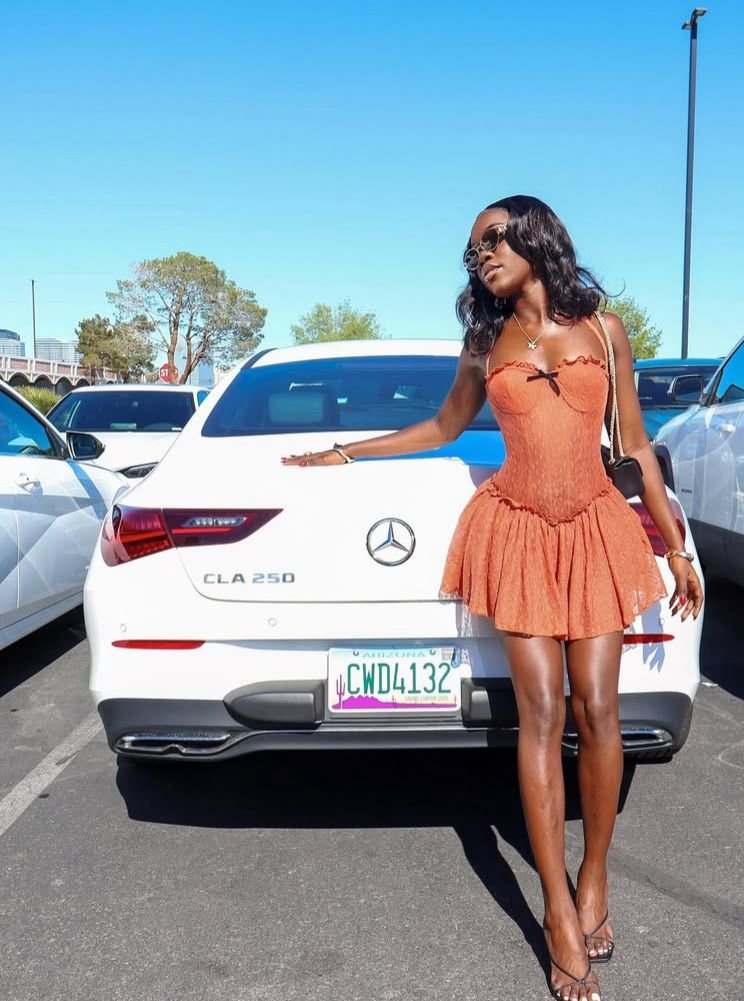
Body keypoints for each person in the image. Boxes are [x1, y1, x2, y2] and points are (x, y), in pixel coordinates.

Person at [282, 195, 703, 1001]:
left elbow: (634, 445)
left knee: (599, 709)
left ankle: (595, 874)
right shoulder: (485, 342)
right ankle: (556, 909)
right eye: (474, 249)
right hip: (518, 529)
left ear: (536, 236)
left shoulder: (604, 329)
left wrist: (677, 548)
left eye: (494, 239)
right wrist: (346, 451)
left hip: (594, 526)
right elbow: (443, 427)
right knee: (540, 712)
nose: (482, 256)